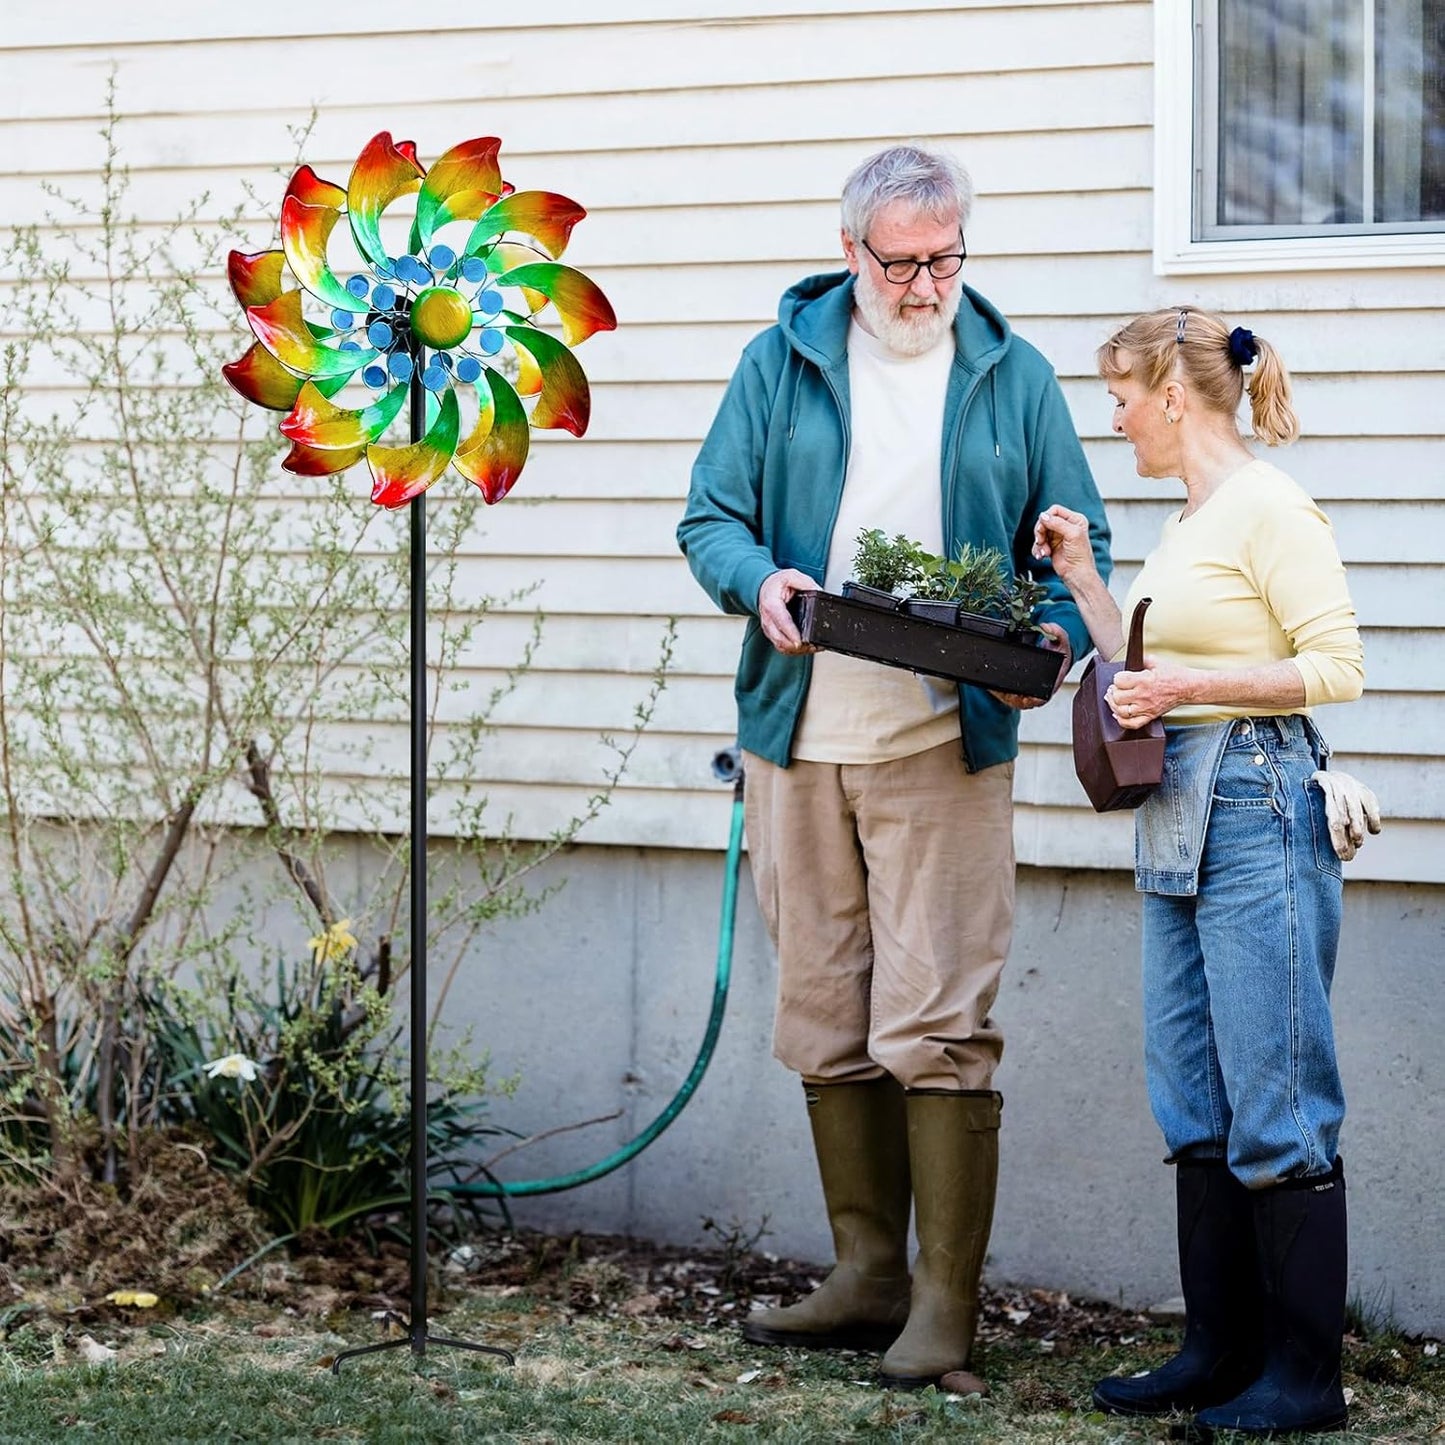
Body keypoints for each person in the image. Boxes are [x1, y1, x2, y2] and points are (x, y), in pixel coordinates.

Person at [676, 143, 1111, 1391]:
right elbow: (710, 516)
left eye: (944, 258)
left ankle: (941, 1304)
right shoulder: (784, 361)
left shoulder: (1009, 373)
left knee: (937, 1018)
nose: (925, 286)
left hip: (942, 736)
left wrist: (1048, 638)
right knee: (823, 1010)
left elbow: (1071, 548)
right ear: (850, 252)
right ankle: (864, 1272)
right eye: (902, 262)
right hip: (800, 737)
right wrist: (759, 582)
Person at [1033, 305, 1377, 1437]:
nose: (1116, 418)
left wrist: (1179, 690)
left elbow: (1334, 666)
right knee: (1192, 1096)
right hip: (1176, 813)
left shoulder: (1270, 506)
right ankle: (1216, 1350)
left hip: (1254, 800)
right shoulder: (1188, 523)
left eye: (1121, 396)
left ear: (1171, 397)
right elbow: (1138, 667)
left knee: (1274, 1093)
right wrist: (1087, 577)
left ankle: (1302, 1378)